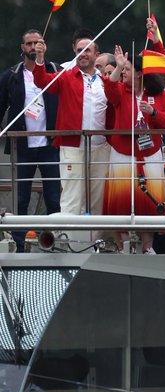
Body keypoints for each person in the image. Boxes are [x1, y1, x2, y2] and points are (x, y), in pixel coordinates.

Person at [102, 47, 165, 253]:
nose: (123, 72)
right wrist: (119, 66)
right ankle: (125, 245)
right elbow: (109, 88)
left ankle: (147, 247)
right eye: (123, 69)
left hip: (150, 153)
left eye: (128, 69)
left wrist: (153, 112)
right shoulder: (120, 92)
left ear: (140, 73)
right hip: (123, 153)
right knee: (120, 202)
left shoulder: (160, 95)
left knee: (149, 202)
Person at [32, 30, 109, 220]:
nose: (83, 54)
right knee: (72, 198)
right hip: (72, 146)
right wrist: (40, 58)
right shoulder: (65, 76)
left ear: (96, 55)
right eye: (79, 50)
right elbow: (42, 81)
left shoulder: (105, 80)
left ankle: (97, 245)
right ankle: (70, 244)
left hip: (101, 147)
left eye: (87, 50)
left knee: (98, 200)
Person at [0, 30, 61, 250]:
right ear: (22, 47)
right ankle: (18, 243)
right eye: (29, 43)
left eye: (38, 43)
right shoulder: (11, 75)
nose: (33, 47)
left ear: (44, 45)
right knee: (21, 198)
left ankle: (56, 242)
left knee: (54, 196)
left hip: (50, 145)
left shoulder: (55, 71)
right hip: (22, 146)